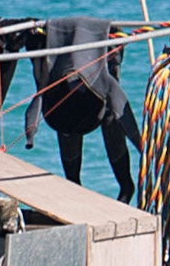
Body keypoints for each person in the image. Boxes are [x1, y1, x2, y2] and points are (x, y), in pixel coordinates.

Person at [24, 15, 141, 199]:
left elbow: (120, 106)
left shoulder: (101, 77)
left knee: (111, 118)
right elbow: (39, 97)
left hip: (96, 103)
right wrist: (30, 134)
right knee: (65, 118)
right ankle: (74, 188)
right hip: (69, 111)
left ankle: (126, 188)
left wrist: (141, 146)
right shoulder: (58, 79)